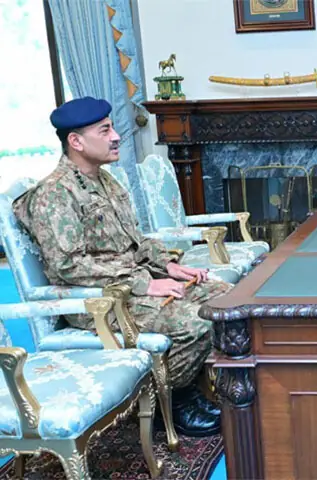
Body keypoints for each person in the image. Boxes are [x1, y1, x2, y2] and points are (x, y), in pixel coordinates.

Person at [13, 96, 228, 437]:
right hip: (98, 301)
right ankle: (169, 401)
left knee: (225, 300)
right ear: (76, 141)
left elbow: (135, 241)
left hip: (131, 283)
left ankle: (192, 385)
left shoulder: (106, 181)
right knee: (195, 324)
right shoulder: (55, 193)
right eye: (105, 129)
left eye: (112, 127)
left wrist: (168, 266)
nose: (116, 136)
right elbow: (69, 266)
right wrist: (145, 284)